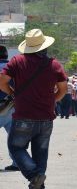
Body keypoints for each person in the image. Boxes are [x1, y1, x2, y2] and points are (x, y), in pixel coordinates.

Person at [0, 29, 67, 189]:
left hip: (23, 115)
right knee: (41, 154)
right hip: (46, 118)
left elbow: (2, 81)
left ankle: (34, 176)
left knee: (16, 147)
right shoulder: (54, 64)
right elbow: (63, 88)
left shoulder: (17, 61)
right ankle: (38, 184)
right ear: (45, 46)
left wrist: (13, 93)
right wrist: (53, 100)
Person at [0, 45, 19, 171]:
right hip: (11, 105)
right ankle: (17, 163)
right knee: (14, 136)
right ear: (7, 55)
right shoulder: (15, 68)